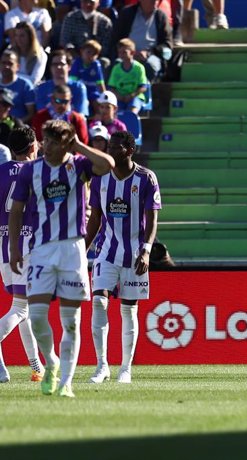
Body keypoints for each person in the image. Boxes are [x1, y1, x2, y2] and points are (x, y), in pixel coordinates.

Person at [9, 119, 115, 398]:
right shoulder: (31, 170)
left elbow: (107, 165)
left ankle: (66, 382)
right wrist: (14, 248)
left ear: (66, 143)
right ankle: (51, 361)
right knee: (37, 317)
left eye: (55, 141)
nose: (47, 146)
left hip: (72, 249)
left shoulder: (78, 165)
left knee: (71, 320)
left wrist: (79, 145)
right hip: (41, 248)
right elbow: (17, 209)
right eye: (46, 140)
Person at [85, 130, 161, 385]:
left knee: (129, 311)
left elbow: (152, 218)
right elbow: (95, 217)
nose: (110, 151)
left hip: (135, 254)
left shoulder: (146, 178)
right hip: (106, 251)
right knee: (99, 303)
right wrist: (83, 248)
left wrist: (147, 250)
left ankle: (125, 368)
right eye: (109, 146)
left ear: (129, 150)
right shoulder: (100, 178)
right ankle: (101, 366)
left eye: (116, 147)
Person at [0, 126, 43, 384]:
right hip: (28, 245)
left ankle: (34, 365)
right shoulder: (37, 172)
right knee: (21, 307)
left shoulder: (0, 171)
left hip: (3, 246)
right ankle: (38, 364)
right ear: (32, 147)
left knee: (22, 307)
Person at [112, 0, 173, 81]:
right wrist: (127, 52)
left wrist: (149, 53)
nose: (155, 1)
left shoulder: (161, 16)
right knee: (118, 65)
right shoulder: (127, 13)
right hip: (126, 54)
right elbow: (116, 39)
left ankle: (145, 91)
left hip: (151, 55)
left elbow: (167, 44)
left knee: (150, 66)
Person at [34, 50, 90, 117]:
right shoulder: (42, 88)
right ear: (50, 67)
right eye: (55, 64)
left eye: (62, 64)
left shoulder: (79, 88)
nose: (58, 67)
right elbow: (41, 114)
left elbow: (80, 115)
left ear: (69, 67)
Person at [108, 39, 149, 114]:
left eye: (124, 52)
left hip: (135, 97)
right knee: (113, 111)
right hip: (120, 98)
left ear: (132, 52)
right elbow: (111, 87)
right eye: (119, 52)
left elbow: (143, 87)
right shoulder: (116, 69)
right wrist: (119, 96)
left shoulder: (139, 68)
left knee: (132, 112)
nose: (121, 55)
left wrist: (131, 96)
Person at [70, 40, 107, 110]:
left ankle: (97, 118)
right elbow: (72, 82)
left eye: (94, 54)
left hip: (92, 92)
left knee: (98, 104)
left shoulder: (96, 65)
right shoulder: (77, 63)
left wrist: (104, 98)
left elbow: (100, 83)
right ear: (81, 51)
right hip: (79, 91)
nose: (90, 56)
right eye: (88, 52)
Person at [0, 49, 35, 123]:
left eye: (10, 63)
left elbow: (31, 113)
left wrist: (15, 125)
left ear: (18, 66)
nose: (6, 66)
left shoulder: (25, 85)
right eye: (3, 63)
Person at [11, 22, 47, 86]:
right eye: (16, 35)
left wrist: (13, 77)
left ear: (30, 37)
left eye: (22, 36)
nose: (18, 39)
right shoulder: (10, 52)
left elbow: (34, 80)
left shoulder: (40, 55)